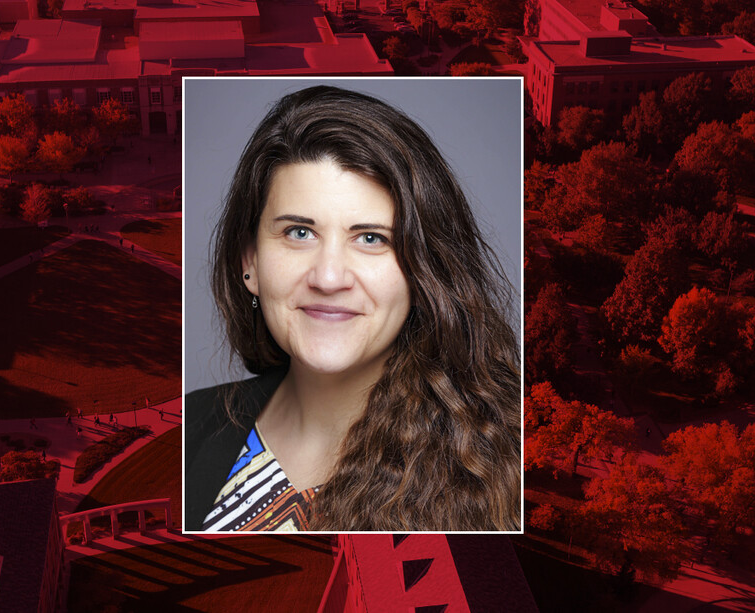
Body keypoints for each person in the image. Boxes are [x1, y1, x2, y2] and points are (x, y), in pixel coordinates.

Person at [184, 85, 520, 532]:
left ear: (423, 271)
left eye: (371, 239)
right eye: (299, 233)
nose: (327, 278)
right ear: (250, 263)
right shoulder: (192, 429)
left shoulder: (505, 461)